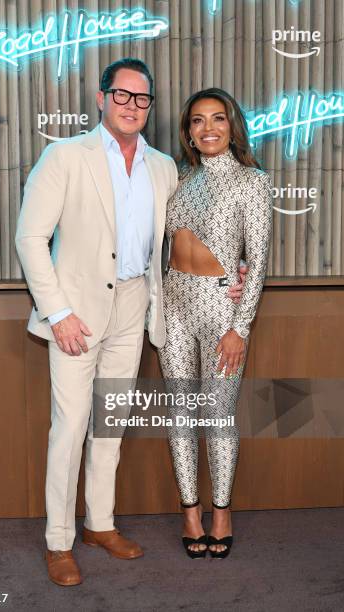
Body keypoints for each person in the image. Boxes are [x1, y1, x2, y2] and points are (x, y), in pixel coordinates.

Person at [15, 59, 245, 586]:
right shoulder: (65, 157)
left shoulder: (164, 167)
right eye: (122, 95)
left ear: (150, 107)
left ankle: (99, 524)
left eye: (142, 99)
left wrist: (237, 268)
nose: (132, 106)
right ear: (102, 98)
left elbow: (188, 233)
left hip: (133, 310)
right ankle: (58, 541)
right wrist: (58, 314)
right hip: (75, 316)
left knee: (110, 426)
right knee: (70, 427)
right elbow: (30, 239)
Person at [157, 88, 273, 559]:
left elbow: (257, 261)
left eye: (218, 119)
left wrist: (239, 327)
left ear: (232, 126)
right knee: (181, 414)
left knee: (217, 415)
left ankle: (221, 512)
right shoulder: (179, 179)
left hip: (221, 314)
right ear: (188, 131)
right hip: (173, 306)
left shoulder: (252, 182)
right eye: (198, 121)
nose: (208, 128)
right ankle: (190, 511)